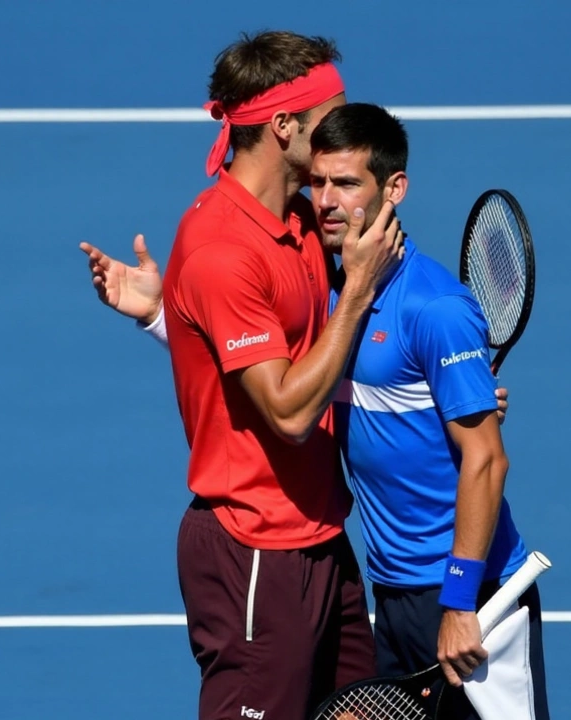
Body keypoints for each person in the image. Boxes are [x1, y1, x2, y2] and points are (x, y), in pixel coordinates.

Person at [90, 101, 548, 719]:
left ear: (395, 189)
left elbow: (487, 462)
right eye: (319, 181)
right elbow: (274, 373)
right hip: (392, 591)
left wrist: (460, 603)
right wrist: (159, 316)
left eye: (347, 184)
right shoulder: (341, 295)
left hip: (473, 597)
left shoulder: (434, 308)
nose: (326, 201)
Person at [82, 32, 404, 720]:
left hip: (320, 534)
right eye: (331, 117)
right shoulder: (224, 250)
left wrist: (168, 317)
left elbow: (266, 355)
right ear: (285, 126)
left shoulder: (297, 217)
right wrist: (358, 293)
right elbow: (287, 414)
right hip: (257, 550)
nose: (344, 131)